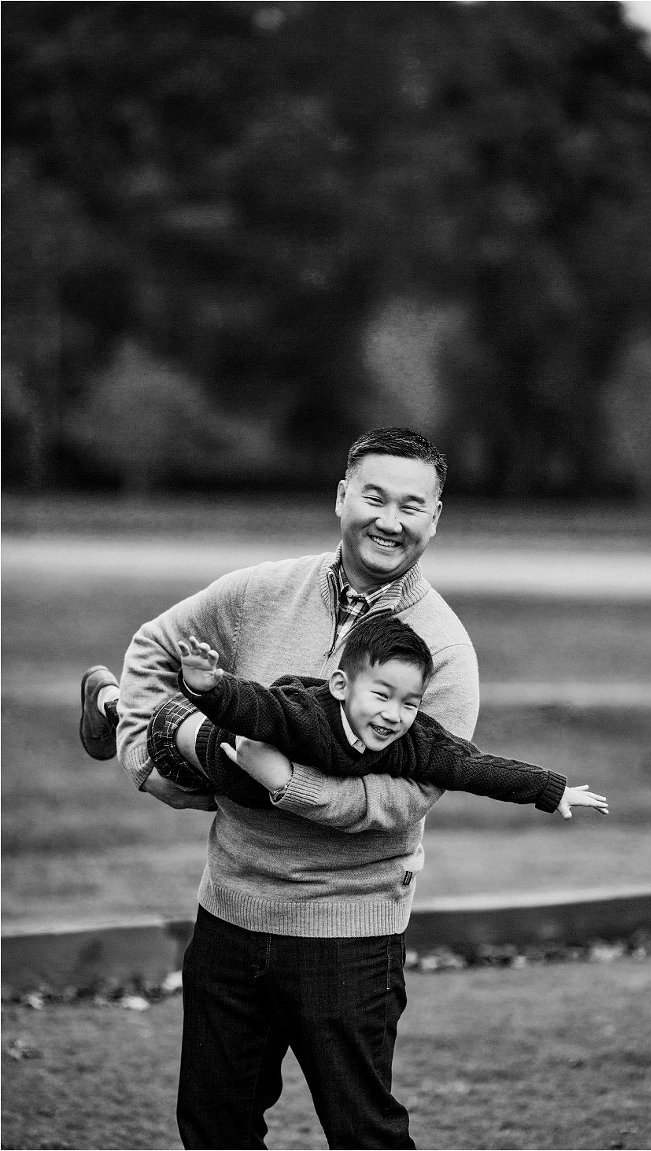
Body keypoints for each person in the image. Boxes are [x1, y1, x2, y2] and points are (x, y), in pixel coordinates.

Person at [77, 428, 552, 1150]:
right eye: (374, 495)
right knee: (213, 1130)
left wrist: (283, 784)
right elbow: (155, 643)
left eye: (411, 504)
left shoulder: (445, 649)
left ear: (435, 518)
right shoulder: (259, 591)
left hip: (349, 935)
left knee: (365, 1135)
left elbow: (396, 806)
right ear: (341, 497)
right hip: (228, 918)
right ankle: (120, 713)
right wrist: (143, 755)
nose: (390, 519)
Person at [82, 615, 609, 821]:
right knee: (167, 732)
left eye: (410, 702)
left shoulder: (407, 742)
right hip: (203, 739)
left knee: (241, 793)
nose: (394, 714)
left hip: (252, 777)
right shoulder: (306, 715)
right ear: (341, 686)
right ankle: (105, 697)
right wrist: (210, 687)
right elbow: (256, 707)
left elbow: (471, 767)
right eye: (381, 695)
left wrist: (548, 788)